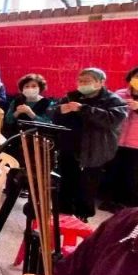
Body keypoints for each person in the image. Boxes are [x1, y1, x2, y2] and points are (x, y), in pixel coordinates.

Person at [53, 68, 128, 221]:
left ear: (101, 82)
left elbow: (112, 120)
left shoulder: (113, 100)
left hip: (95, 150)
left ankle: (83, 215)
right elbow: (53, 115)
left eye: (87, 81)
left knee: (87, 185)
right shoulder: (71, 96)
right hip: (69, 147)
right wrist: (59, 111)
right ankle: (62, 213)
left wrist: (84, 109)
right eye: (80, 81)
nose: (82, 84)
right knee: (66, 182)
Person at [104, 67, 138, 208]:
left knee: (132, 176)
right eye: (136, 77)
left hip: (135, 144)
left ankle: (129, 206)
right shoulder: (119, 94)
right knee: (113, 172)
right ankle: (110, 202)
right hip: (116, 140)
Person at [2, 74, 57, 143]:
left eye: (34, 86)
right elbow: (7, 121)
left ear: (40, 88)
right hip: (16, 138)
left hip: (37, 140)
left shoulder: (47, 103)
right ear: (22, 89)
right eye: (27, 86)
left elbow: (48, 124)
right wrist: (16, 113)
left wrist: (31, 114)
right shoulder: (17, 101)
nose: (30, 88)